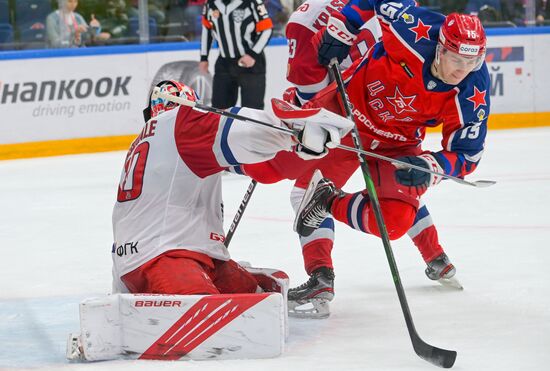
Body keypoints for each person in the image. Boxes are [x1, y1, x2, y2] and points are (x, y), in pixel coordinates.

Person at [284, 0, 490, 314]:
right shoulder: (412, 30)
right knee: (302, 191)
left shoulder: (473, 88)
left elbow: (467, 154)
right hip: (344, 114)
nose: (463, 71)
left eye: (472, 63)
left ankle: (325, 201)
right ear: (440, 49)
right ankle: (320, 274)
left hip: (399, 143)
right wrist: (345, 27)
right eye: (457, 60)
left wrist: (430, 166)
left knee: (393, 222)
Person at [111, 80, 353, 295]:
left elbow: (244, 160)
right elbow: (241, 129)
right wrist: (293, 131)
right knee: (212, 317)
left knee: (257, 293)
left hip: (151, 258)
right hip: (166, 256)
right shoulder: (180, 124)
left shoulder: (145, 141)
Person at [199, 0, 273, 109]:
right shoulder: (210, 3)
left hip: (251, 66)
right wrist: (203, 58)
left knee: (252, 113)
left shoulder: (253, 2)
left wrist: (252, 55)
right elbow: (206, 29)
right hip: (224, 63)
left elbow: (267, 29)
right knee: (220, 111)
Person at [46, 0, 110, 48]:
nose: (73, 4)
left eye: (75, 1)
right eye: (70, 1)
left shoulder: (78, 17)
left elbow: (86, 37)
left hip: (79, 55)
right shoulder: (52, 19)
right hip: (59, 57)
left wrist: (96, 33)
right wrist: (74, 32)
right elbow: (55, 43)